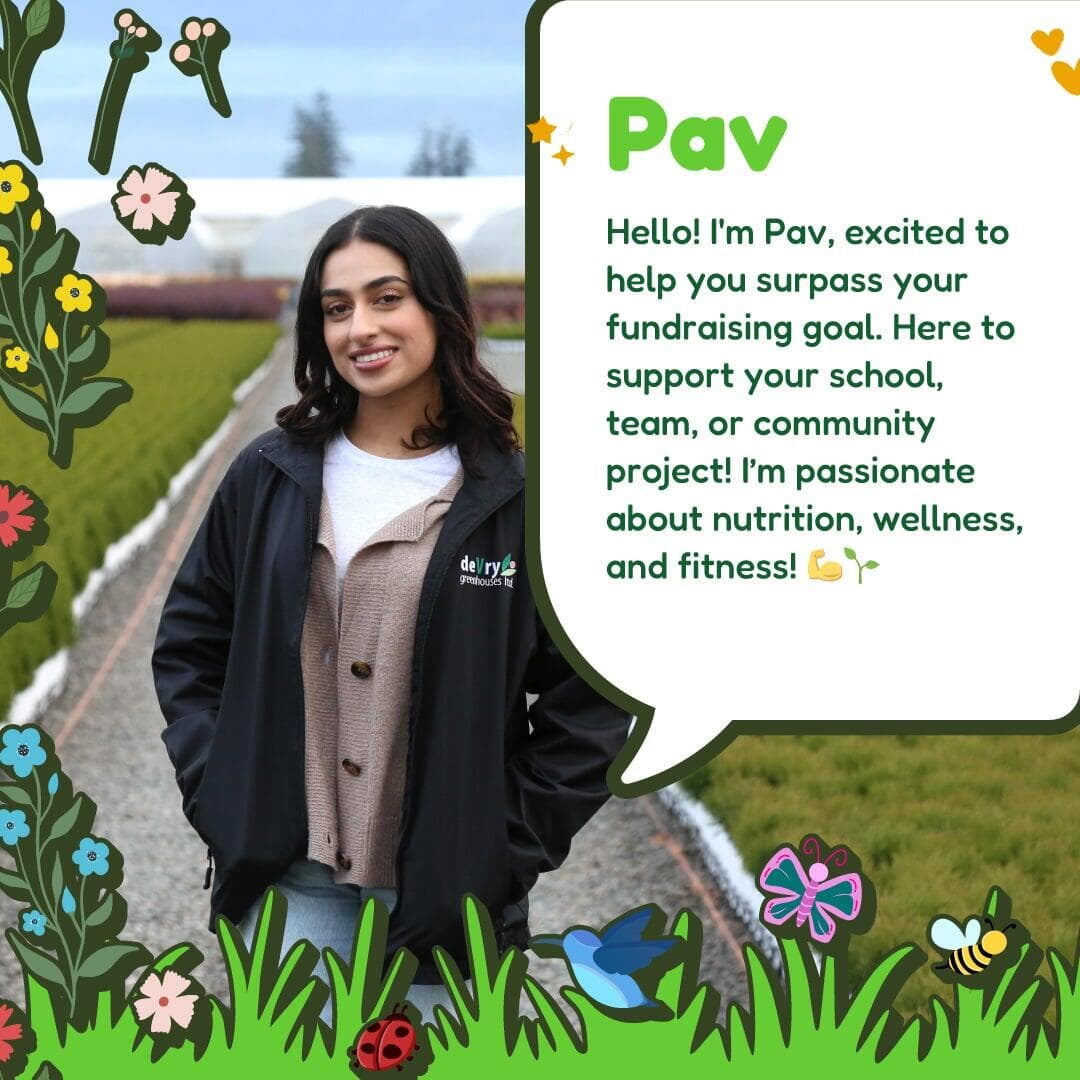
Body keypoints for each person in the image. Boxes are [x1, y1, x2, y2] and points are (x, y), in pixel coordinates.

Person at [150, 205, 630, 1023]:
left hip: (447, 905)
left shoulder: (518, 499)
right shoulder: (267, 478)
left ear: (438, 308)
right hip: (291, 889)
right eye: (336, 309)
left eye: (385, 298)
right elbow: (190, 647)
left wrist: (499, 850)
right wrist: (220, 791)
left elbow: (591, 700)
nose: (360, 328)